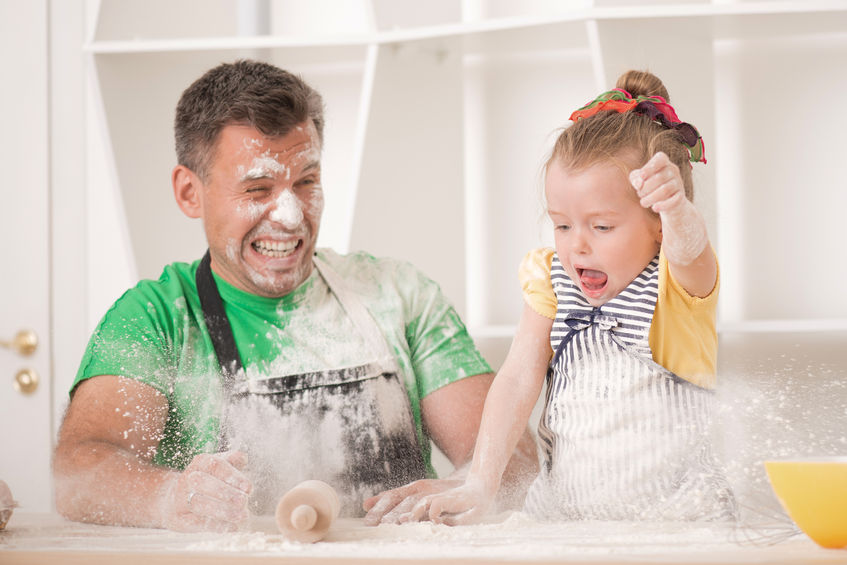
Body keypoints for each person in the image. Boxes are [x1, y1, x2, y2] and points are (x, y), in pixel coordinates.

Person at [53, 59, 535, 532]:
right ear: (189, 192)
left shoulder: (399, 295)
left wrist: (474, 482)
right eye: (258, 188)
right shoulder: (156, 317)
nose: (289, 215)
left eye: (305, 182)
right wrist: (167, 497)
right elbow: (80, 471)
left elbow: (514, 455)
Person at [412, 70, 737, 525]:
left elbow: (691, 250)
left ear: (657, 227)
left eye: (601, 227)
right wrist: (481, 483)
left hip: (675, 521)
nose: (576, 245)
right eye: (562, 224)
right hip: (567, 517)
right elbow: (518, 378)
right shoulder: (552, 282)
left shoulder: (678, 288)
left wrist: (678, 208)